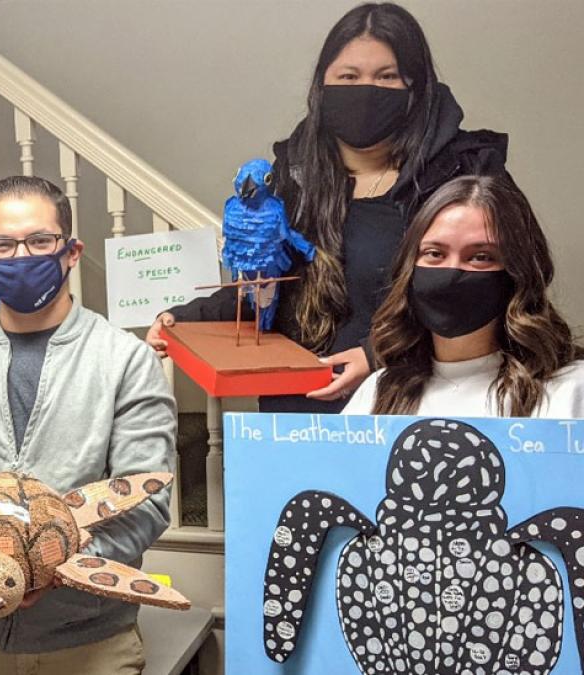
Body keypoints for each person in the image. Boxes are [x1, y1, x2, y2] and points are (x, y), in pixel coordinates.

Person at [146, 2, 508, 412]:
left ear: (416, 86)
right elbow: (268, 289)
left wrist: (377, 356)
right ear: (323, 84)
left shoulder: (467, 175)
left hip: (415, 404)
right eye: (349, 76)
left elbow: (495, 294)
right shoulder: (290, 179)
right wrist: (185, 317)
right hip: (302, 410)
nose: (366, 90)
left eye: (387, 76)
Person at [0, 176, 176, 674]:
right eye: (3, 245)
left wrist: (47, 566)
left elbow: (148, 499)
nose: (21, 256)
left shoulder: (126, 362)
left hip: (90, 642)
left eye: (40, 241)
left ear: (70, 251)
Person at [342, 175, 584, 417]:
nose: (451, 272)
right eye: (435, 253)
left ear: (517, 273)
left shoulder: (571, 388)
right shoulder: (379, 392)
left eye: (481, 257)